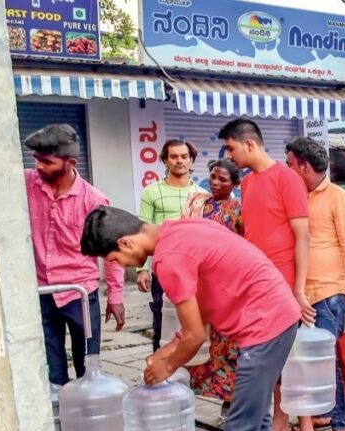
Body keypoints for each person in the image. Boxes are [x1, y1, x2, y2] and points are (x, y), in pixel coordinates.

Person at [80, 207, 300, 431]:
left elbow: (196, 337)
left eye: (115, 258)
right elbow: (197, 320)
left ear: (125, 241)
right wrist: (167, 352)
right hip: (273, 315)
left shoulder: (169, 260)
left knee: (240, 430)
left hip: (266, 325)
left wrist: (166, 364)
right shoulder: (179, 230)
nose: (120, 264)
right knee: (256, 418)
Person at [218, 119, 314, 431]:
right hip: (259, 283)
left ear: (249, 144)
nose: (227, 155)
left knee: (296, 362)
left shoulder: (287, 179)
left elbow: (303, 237)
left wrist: (299, 290)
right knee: (271, 361)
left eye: (230, 148)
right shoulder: (248, 184)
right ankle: (280, 426)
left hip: (286, 283)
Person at [286, 137, 345, 431]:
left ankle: (341, 423)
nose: (288, 170)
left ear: (304, 166)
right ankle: (319, 411)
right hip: (299, 293)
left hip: (330, 292)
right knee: (304, 363)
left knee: (329, 360)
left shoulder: (338, 199)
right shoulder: (294, 197)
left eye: (291, 165)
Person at [25, 124, 125, 389]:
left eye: (46, 161)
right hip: (43, 291)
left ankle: (88, 418)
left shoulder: (93, 201)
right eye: (36, 160)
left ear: (70, 163)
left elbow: (110, 251)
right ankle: (58, 419)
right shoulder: (27, 185)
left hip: (80, 293)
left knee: (88, 367)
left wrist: (115, 297)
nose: (39, 167)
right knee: (50, 366)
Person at [184, 160, 245, 413]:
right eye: (213, 177)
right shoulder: (199, 204)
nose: (216, 182)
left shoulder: (238, 210)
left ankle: (231, 401)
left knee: (229, 344)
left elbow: (245, 245)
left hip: (227, 285)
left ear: (235, 184)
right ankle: (198, 394)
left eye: (223, 179)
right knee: (202, 340)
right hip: (200, 282)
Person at [137, 139, 201, 351]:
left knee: (194, 319)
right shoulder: (152, 192)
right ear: (165, 160)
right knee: (161, 318)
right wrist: (142, 269)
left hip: (194, 270)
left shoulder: (201, 194)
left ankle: (191, 369)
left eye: (184, 156)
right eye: (173, 156)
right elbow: (143, 231)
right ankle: (160, 369)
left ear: (191, 160)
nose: (179, 161)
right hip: (163, 268)